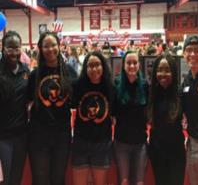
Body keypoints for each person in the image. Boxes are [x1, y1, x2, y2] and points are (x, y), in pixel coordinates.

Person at [27, 32, 77, 185]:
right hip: (38, 134)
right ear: (41, 49)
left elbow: (75, 100)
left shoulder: (69, 71)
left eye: (53, 45)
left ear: (59, 46)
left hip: (62, 133)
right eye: (46, 46)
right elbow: (28, 102)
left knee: (58, 179)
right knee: (41, 179)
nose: (50, 49)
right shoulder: (35, 74)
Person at [71, 51, 116, 185]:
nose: (94, 69)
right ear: (85, 68)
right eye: (90, 66)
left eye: (97, 65)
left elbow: (114, 115)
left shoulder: (110, 88)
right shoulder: (77, 86)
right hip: (81, 141)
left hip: (102, 142)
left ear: (103, 66)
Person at [148, 54, 186, 185]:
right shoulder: (151, 93)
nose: (163, 74)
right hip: (156, 150)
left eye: (167, 70)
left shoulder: (180, 93)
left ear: (174, 72)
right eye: (159, 70)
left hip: (176, 151)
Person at [114, 51, 149, 185]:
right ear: (123, 65)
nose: (132, 66)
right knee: (124, 181)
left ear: (139, 65)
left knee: (139, 182)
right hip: (121, 142)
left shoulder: (145, 85)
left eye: (135, 63)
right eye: (129, 63)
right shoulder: (117, 84)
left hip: (140, 143)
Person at [0, 31, 29, 185]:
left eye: (16, 48)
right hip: (2, 137)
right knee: (5, 180)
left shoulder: (25, 70)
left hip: (21, 135)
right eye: (9, 48)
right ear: (3, 48)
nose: (13, 52)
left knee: (16, 178)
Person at [181, 35, 198, 185]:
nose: (193, 54)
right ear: (184, 54)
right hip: (194, 143)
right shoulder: (187, 80)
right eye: (189, 50)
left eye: (197, 50)